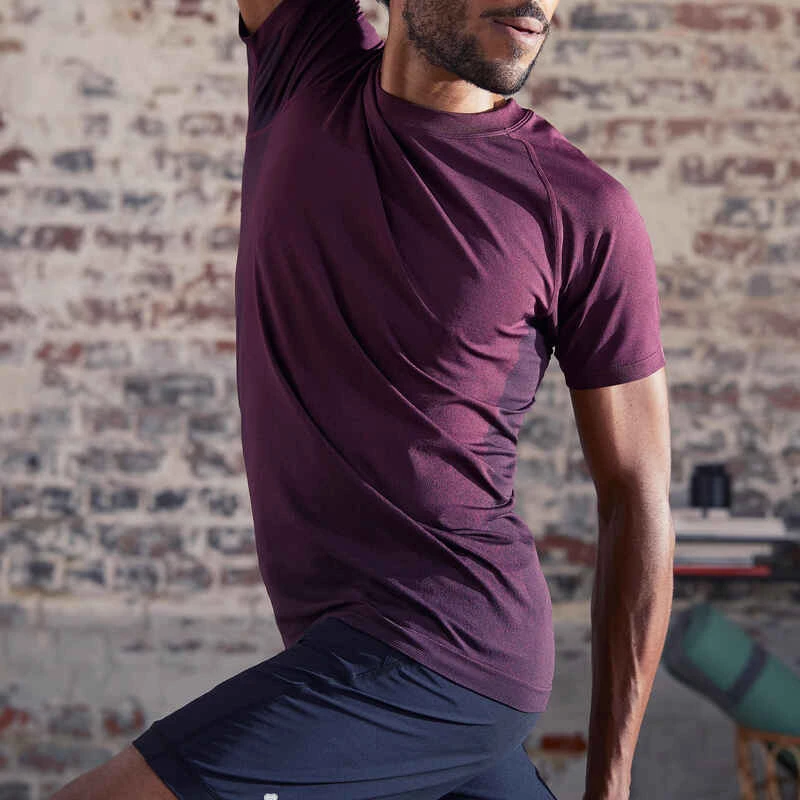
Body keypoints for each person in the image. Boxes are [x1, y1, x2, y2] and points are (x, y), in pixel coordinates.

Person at [50, 0, 674, 796]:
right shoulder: (304, 62)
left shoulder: (580, 210)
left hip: (446, 649)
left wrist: (612, 785)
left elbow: (636, 491)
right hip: (352, 646)